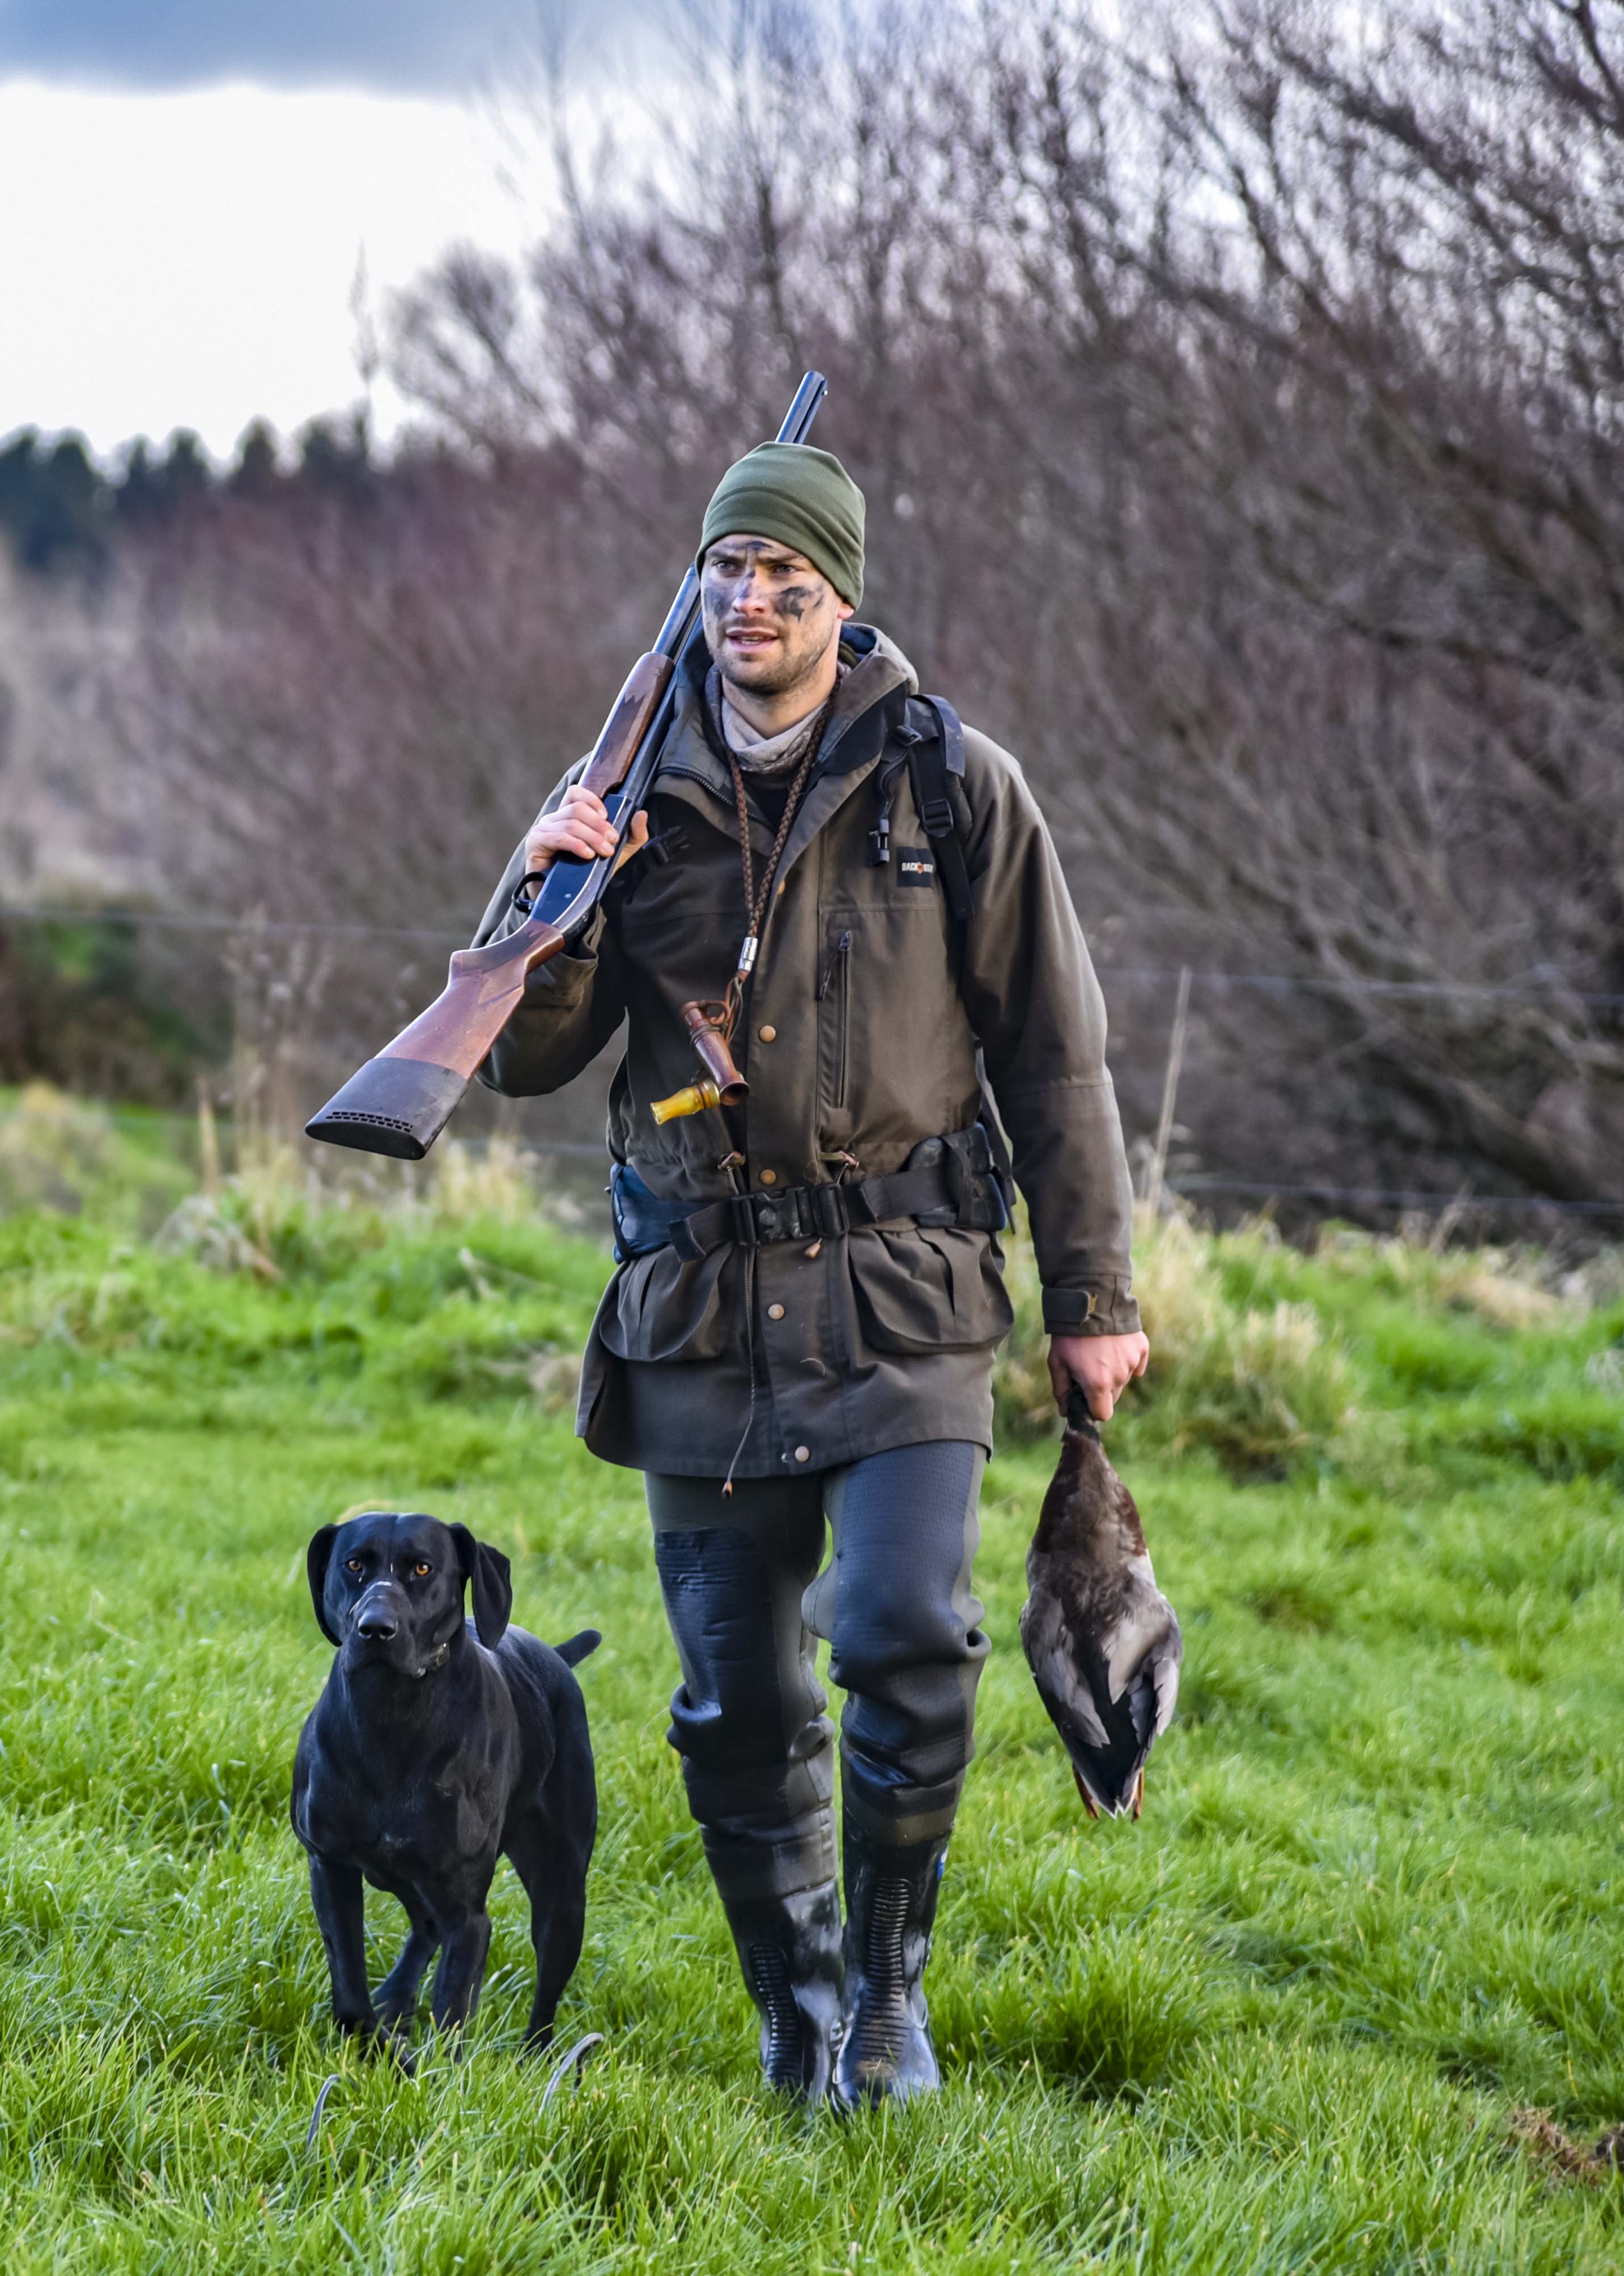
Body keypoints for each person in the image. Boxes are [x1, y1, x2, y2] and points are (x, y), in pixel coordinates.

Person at [474, 440, 1148, 2110]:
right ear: (698, 591)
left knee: (908, 1630)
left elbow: (1058, 1055)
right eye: (726, 574)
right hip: (699, 1310)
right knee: (731, 1698)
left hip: (909, 1297)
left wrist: (1095, 1297)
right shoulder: (625, 791)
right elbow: (521, 1064)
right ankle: (796, 2007)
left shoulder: (953, 784)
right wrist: (552, 898)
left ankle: (891, 2008)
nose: (752, 602)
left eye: (787, 578)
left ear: (845, 601)